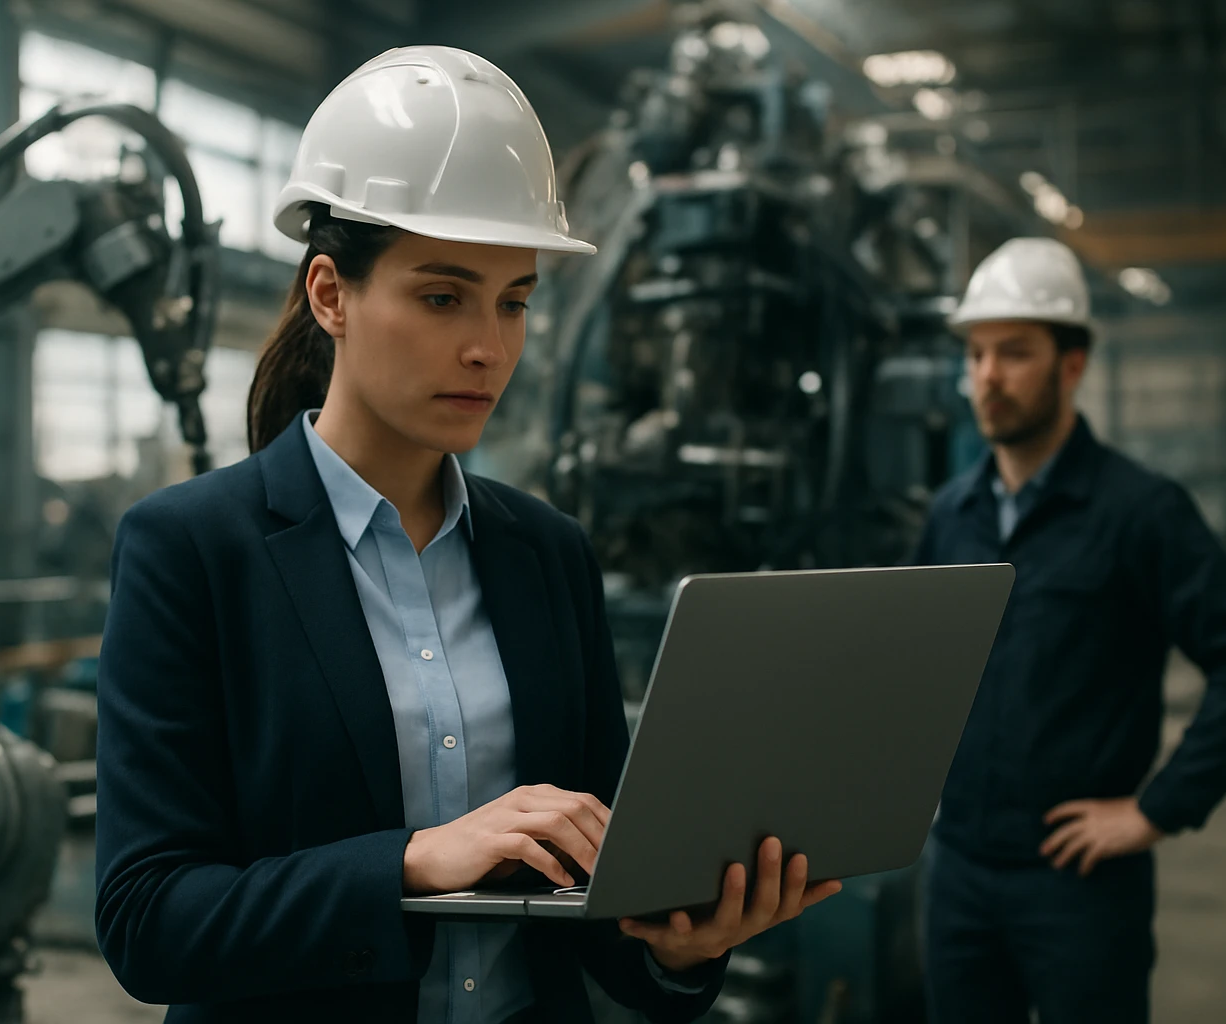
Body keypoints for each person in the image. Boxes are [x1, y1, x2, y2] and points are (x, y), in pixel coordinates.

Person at [92, 45, 840, 1023]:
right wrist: (409, 865)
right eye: (443, 296)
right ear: (332, 295)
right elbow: (149, 919)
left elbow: (595, 898)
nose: (488, 345)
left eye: (514, 301)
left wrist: (679, 946)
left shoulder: (549, 554)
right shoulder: (190, 552)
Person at [913, 236, 1226, 1023]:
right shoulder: (952, 514)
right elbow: (917, 669)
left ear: (1071, 364)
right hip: (958, 876)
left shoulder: (1138, 513)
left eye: (1013, 353)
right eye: (975, 355)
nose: (987, 377)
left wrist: (1156, 809)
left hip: (1075, 885)